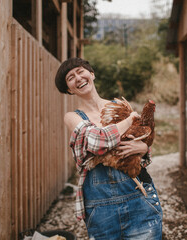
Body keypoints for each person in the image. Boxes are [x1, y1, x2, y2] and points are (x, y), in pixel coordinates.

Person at [55, 57, 163, 239]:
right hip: (101, 209)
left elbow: (142, 146)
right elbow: (97, 142)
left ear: (92, 74)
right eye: (70, 78)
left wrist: (144, 148)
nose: (78, 78)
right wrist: (129, 120)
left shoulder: (119, 106)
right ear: (69, 89)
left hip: (138, 198)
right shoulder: (73, 117)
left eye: (80, 71)